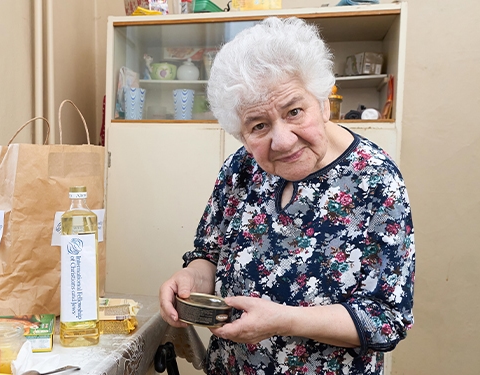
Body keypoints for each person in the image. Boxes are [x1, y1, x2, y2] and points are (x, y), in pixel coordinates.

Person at [159, 17, 415, 374]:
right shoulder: (242, 166)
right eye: (258, 125)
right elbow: (209, 254)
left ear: (324, 102)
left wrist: (283, 320)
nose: (282, 140)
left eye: (294, 111)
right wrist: (191, 278)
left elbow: (386, 319)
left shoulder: (375, 180)